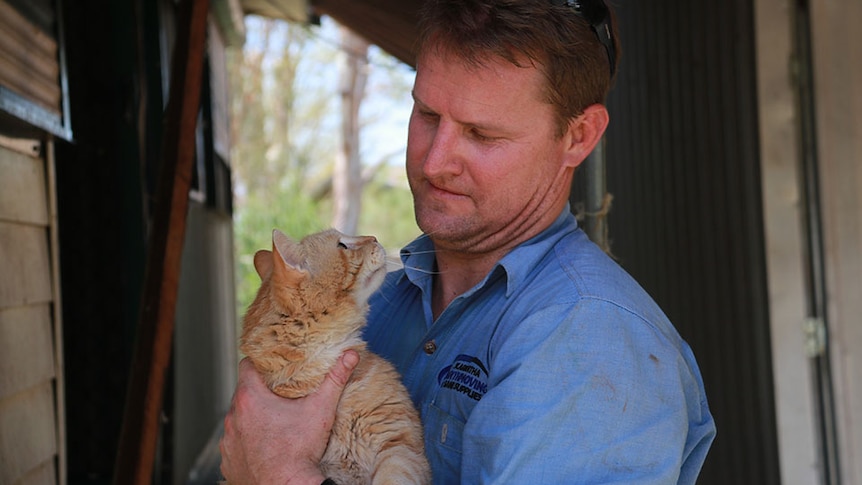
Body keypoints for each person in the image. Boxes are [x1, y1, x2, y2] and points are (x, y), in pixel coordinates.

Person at [219, 0, 717, 483]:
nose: (434, 162)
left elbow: (272, 457)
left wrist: (279, 473)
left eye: (481, 134)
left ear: (579, 136)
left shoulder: (589, 339)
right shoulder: (383, 302)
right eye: (427, 115)